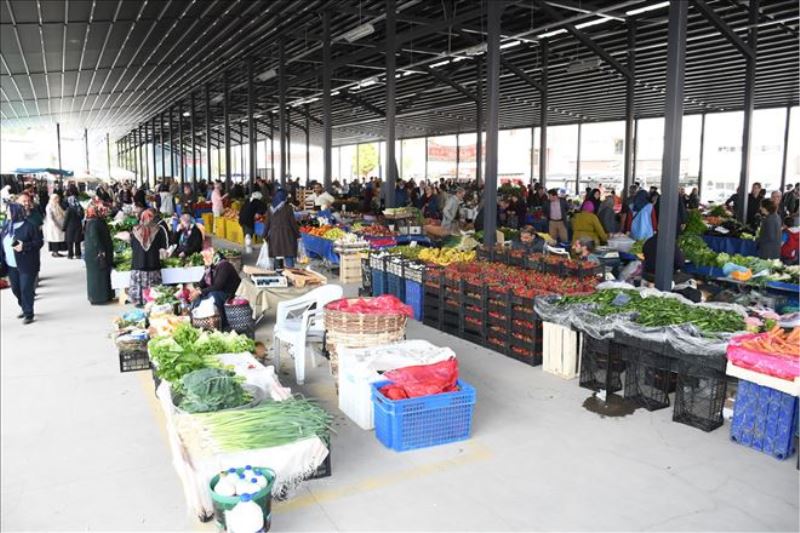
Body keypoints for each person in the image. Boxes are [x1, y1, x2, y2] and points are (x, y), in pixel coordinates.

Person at [0, 203, 43, 323]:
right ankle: (24, 306)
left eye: (9, 211)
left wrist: (24, 246)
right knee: (15, 289)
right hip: (10, 265)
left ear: (16, 212)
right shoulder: (6, 227)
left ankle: (29, 313)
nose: (7, 213)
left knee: (25, 289)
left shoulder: (29, 226)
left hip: (27, 263)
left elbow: (39, 242)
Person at [189, 249, 241, 328]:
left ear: (213, 257)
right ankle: (199, 320)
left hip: (230, 293)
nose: (204, 259)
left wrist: (200, 291)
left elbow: (218, 286)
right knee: (200, 296)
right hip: (219, 291)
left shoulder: (224, 265)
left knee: (212, 295)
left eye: (205, 257)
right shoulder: (211, 267)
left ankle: (223, 323)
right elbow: (202, 282)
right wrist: (197, 289)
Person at [128, 209, 168, 306]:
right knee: (153, 291)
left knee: (138, 286)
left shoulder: (135, 231)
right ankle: (151, 302)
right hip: (153, 264)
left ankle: (138, 301)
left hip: (138, 264)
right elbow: (163, 247)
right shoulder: (158, 230)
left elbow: (132, 246)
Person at [83, 205, 114, 304]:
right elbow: (95, 237)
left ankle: (105, 295)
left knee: (101, 275)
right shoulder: (94, 223)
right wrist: (101, 250)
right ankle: (99, 297)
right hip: (96, 254)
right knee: (97, 276)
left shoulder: (93, 221)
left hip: (94, 253)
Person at [262, 188, 300, 268]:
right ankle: (290, 272)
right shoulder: (288, 208)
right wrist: (298, 235)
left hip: (274, 236)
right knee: (288, 255)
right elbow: (293, 223)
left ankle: (278, 272)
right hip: (287, 235)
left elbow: (267, 224)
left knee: (277, 255)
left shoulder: (270, 208)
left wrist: (264, 235)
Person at [44, 193, 66, 257]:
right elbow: (50, 216)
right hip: (53, 226)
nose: (57, 199)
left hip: (59, 224)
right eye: (56, 198)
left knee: (58, 239)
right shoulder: (49, 206)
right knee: (54, 239)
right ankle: (54, 252)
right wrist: (55, 224)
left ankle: (57, 252)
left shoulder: (57, 205)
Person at [62, 195, 84, 260]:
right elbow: (82, 216)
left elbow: (66, 219)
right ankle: (78, 254)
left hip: (70, 227)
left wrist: (64, 227)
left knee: (70, 242)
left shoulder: (69, 209)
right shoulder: (79, 208)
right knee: (77, 242)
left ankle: (70, 255)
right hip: (78, 226)